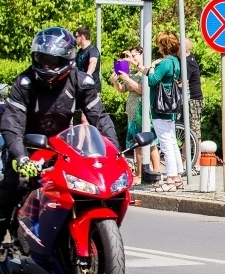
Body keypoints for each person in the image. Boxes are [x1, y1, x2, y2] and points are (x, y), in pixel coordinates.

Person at [0, 27, 120, 253]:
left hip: (63, 147)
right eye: (42, 59)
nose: (46, 66)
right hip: (26, 147)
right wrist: (21, 156)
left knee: (87, 182)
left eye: (52, 61)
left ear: (67, 59)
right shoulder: (24, 83)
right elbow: (12, 124)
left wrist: (114, 151)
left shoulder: (81, 82)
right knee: (18, 181)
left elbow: (100, 119)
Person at [136, 30, 183, 191]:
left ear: (163, 46)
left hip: (160, 108)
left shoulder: (165, 62)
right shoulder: (176, 61)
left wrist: (152, 69)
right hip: (170, 107)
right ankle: (177, 177)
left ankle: (170, 179)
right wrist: (141, 67)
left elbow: (153, 80)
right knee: (172, 141)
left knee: (165, 143)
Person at [109, 45, 162, 184]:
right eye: (130, 55)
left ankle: (147, 173)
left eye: (134, 54)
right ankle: (144, 173)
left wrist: (126, 78)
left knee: (146, 144)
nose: (131, 57)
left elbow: (141, 90)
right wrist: (116, 81)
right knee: (137, 144)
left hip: (142, 113)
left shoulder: (146, 71)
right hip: (132, 114)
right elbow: (122, 90)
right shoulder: (132, 73)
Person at [184, 37, 204, 176]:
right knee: (186, 131)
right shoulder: (187, 59)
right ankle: (186, 163)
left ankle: (196, 164)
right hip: (188, 99)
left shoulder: (188, 62)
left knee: (195, 131)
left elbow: (182, 82)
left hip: (193, 100)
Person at [75, 26, 101, 92]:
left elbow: (93, 63)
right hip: (81, 87)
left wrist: (88, 75)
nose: (75, 39)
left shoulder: (92, 50)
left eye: (76, 37)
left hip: (92, 88)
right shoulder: (80, 52)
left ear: (82, 37)